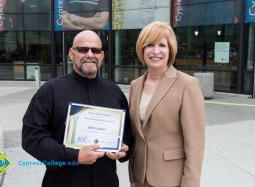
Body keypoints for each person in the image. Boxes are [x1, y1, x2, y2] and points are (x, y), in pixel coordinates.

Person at [22, 30, 133, 187]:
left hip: (106, 181)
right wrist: (75, 156)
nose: (90, 54)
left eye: (95, 50)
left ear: (101, 56)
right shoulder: (51, 90)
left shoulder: (114, 92)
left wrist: (123, 149)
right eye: (83, 49)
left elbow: (127, 136)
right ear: (71, 53)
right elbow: (31, 139)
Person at [128, 21, 205, 187]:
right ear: (142, 49)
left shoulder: (187, 84)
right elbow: (136, 134)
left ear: (170, 50)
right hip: (140, 178)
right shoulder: (135, 85)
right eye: (150, 45)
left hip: (171, 180)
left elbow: (195, 145)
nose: (156, 51)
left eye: (162, 45)